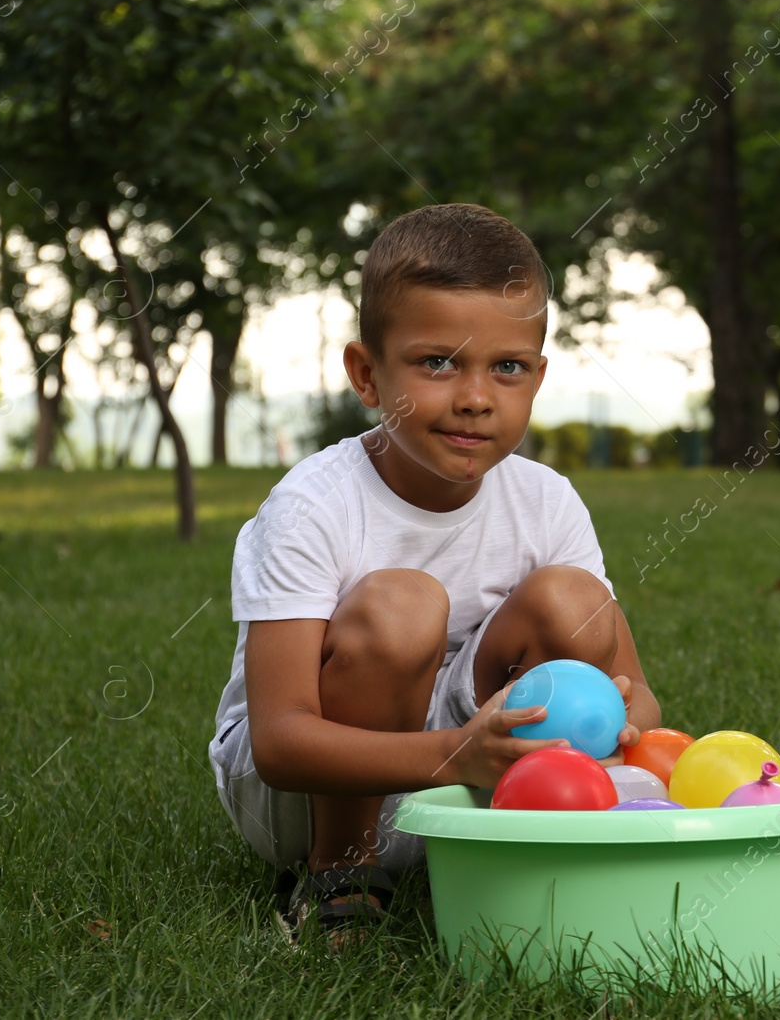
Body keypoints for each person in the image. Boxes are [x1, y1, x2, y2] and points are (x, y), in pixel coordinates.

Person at [207, 203, 660, 945]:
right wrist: (458, 753)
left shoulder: (547, 500)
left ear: (537, 379)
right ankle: (341, 873)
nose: (476, 397)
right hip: (305, 791)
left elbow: (640, 694)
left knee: (572, 599)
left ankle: (536, 842)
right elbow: (280, 740)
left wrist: (618, 719)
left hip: (476, 764)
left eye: (507, 367)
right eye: (438, 362)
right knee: (403, 604)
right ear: (368, 374)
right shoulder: (314, 504)